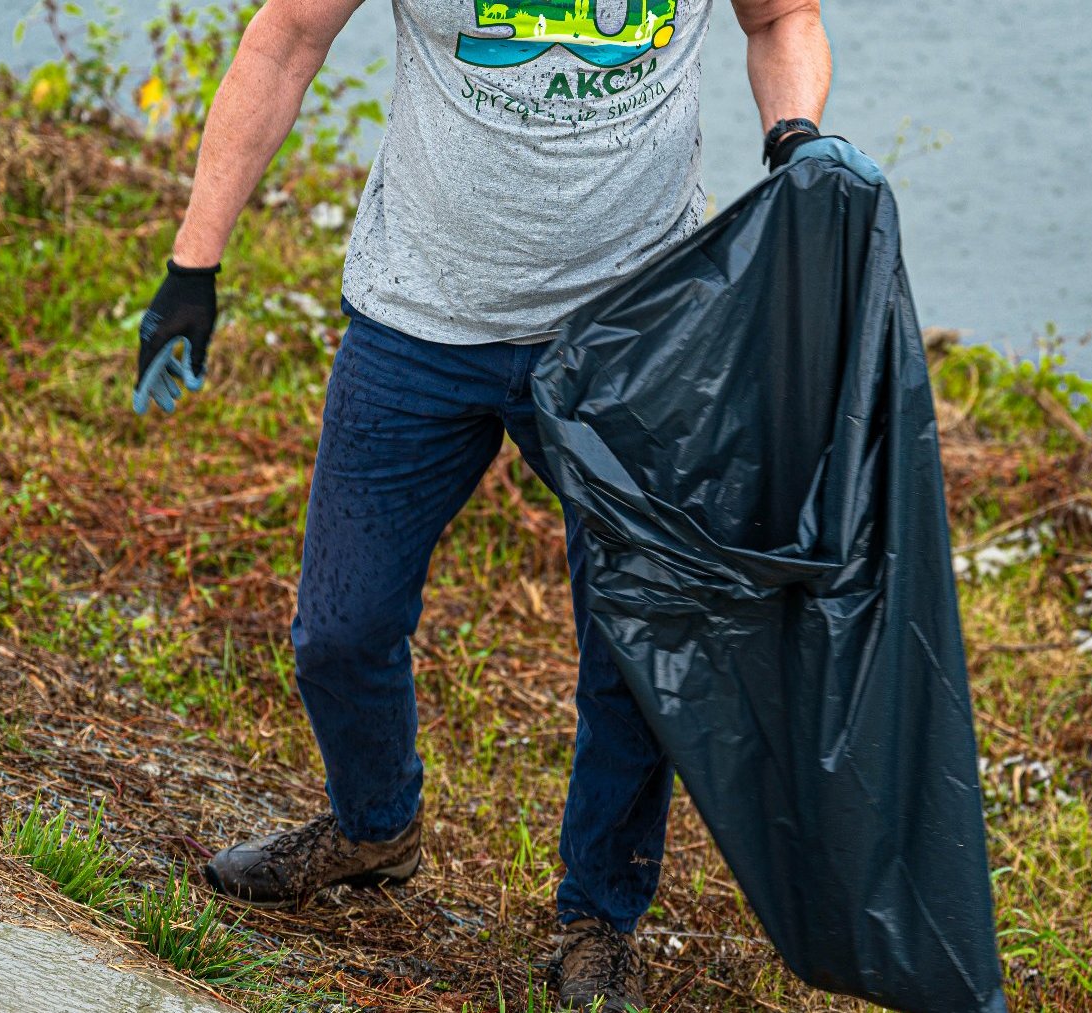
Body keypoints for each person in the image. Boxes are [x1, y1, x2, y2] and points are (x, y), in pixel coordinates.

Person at [132, 0, 876, 1007]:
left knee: (630, 643)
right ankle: (373, 826)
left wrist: (794, 137)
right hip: (418, 319)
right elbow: (285, 38)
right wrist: (193, 265)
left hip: (631, 332)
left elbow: (782, 18)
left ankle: (598, 916)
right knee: (340, 630)